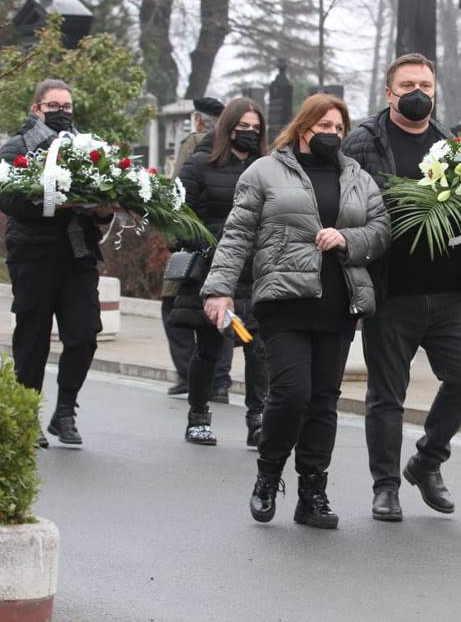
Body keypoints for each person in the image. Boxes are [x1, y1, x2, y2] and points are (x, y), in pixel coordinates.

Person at [202, 94, 390, 529]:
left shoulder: (359, 177)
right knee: (292, 394)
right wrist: (219, 290)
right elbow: (237, 235)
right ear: (303, 127)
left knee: (324, 401)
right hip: (284, 300)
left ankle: (312, 492)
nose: (333, 134)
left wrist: (348, 240)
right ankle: (268, 475)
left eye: (339, 128)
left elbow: (381, 232)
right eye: (324, 126)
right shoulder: (265, 171)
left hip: (338, 302)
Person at [342, 53, 461, 522]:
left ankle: (427, 462)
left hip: (448, 291)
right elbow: (343, 206)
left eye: (425, 83)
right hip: (392, 293)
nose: (417, 92)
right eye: (407, 84)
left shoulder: (451, 142)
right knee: (387, 395)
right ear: (389, 93)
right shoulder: (362, 142)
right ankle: (385, 487)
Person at [0, 78, 113, 448]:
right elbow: (8, 202)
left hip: (77, 255)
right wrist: (51, 202)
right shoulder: (16, 149)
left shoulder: (88, 148)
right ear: (36, 109)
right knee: (32, 337)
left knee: (84, 334)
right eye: (53, 106)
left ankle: (64, 411)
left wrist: (106, 209)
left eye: (67, 107)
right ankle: (25, 413)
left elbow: (101, 202)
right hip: (33, 255)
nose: (61, 113)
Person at [170, 98, 270, 447]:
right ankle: (198, 414)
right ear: (227, 128)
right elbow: (178, 218)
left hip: (256, 272)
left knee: (258, 348)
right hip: (214, 272)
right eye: (243, 127)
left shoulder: (267, 167)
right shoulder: (199, 165)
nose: (249, 134)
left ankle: (258, 419)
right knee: (210, 348)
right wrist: (207, 245)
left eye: (255, 129)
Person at [162, 97, 231, 398]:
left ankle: (190, 375)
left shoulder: (193, 143)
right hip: (228, 244)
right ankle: (219, 381)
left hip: (194, 242)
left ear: (199, 121)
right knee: (223, 310)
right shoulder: (238, 148)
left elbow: (177, 191)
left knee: (173, 306)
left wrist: (172, 238)